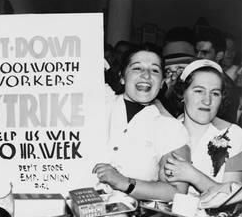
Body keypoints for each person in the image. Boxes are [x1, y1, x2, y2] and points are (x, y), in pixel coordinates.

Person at [93, 45, 190, 202]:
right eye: (137, 68)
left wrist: (125, 183)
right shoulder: (99, 105)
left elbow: (176, 191)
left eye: (155, 70)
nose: (146, 75)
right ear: (122, 77)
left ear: (162, 82)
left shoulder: (172, 129)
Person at [164, 59, 242, 193]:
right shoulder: (165, 129)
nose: (207, 100)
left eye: (215, 93)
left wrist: (193, 175)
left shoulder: (236, 135)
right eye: (199, 91)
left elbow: (232, 194)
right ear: (182, 94)